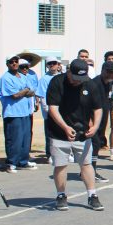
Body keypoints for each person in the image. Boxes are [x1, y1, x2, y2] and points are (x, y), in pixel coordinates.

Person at [45, 59, 105, 211]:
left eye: (81, 78)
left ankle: (92, 195)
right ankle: (61, 195)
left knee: (86, 164)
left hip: (82, 132)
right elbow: (53, 108)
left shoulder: (90, 84)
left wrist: (95, 126)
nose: (78, 81)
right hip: (59, 132)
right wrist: (65, 127)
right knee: (60, 165)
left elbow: (98, 108)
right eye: (76, 78)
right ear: (69, 72)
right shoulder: (57, 82)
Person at [0, 56, 38, 173]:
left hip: (25, 112)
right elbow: (14, 95)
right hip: (13, 113)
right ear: (7, 64)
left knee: (25, 139)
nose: (14, 64)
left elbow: (32, 92)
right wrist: (24, 91)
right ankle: (11, 163)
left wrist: (24, 91)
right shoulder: (6, 78)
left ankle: (23, 161)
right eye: (11, 62)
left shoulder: (22, 76)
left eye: (16, 61)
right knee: (14, 139)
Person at [89, 62, 113, 183]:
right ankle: (91, 171)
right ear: (103, 70)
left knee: (97, 144)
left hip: (102, 119)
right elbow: (87, 103)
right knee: (94, 144)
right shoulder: (94, 84)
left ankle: (86, 170)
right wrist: (90, 121)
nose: (111, 74)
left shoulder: (109, 83)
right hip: (93, 120)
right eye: (109, 71)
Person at [36, 56, 62, 161]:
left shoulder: (62, 76)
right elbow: (42, 96)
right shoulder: (44, 79)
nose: (52, 65)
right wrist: (48, 110)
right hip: (50, 111)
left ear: (58, 64)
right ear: (47, 65)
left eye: (54, 63)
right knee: (50, 133)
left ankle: (63, 153)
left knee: (62, 132)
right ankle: (50, 154)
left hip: (62, 110)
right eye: (49, 63)